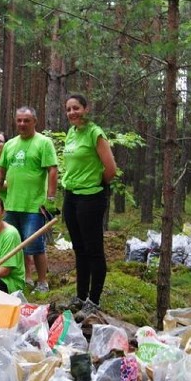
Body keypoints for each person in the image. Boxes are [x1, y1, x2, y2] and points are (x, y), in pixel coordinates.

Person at [61, 94, 117, 322]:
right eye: (69, 109)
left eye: (77, 108)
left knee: (93, 249)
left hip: (91, 197)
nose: (72, 112)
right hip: (71, 195)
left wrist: (96, 184)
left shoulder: (95, 133)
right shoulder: (71, 133)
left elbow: (110, 169)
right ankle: (80, 296)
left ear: (86, 108)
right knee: (79, 248)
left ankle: (94, 300)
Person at [0, 108, 58, 293]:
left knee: (34, 244)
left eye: (26, 120)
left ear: (35, 121)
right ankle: (26, 278)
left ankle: (42, 281)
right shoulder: (10, 144)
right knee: (15, 244)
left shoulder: (44, 142)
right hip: (11, 204)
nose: (22, 124)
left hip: (34, 205)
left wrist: (51, 197)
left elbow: (52, 170)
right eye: (19, 120)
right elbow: (1, 171)